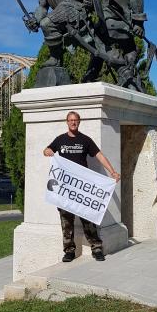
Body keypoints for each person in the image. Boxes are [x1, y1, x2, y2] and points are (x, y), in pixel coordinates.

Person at [44, 111, 120, 262]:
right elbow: (47, 150)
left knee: (88, 217)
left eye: (75, 120)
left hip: (81, 188)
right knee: (66, 220)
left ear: (79, 122)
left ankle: (96, 248)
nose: (73, 122)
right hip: (65, 188)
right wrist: (48, 151)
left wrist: (112, 171)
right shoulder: (60, 140)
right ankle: (69, 251)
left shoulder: (85, 140)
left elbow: (99, 155)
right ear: (67, 122)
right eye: (70, 120)